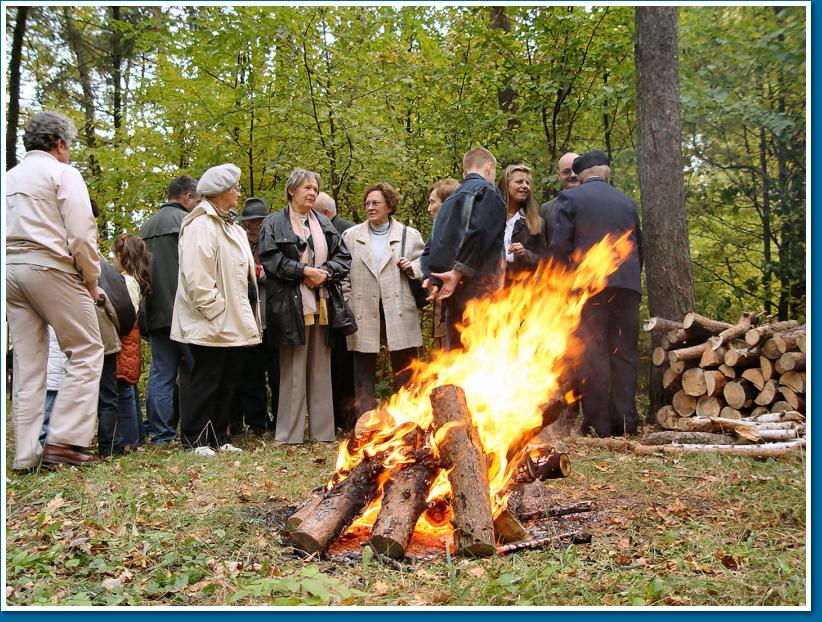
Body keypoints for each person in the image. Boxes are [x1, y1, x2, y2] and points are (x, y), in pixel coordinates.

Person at [6, 111, 104, 469]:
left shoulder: (8, 178)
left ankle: (25, 453)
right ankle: (63, 442)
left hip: (10, 270)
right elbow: (81, 232)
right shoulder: (62, 173)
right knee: (87, 348)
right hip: (50, 265)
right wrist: (91, 279)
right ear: (60, 144)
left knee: (28, 365)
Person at [549, 150, 643, 438]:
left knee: (593, 353)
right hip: (626, 287)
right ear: (606, 172)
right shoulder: (627, 202)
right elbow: (639, 246)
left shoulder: (570, 199)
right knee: (624, 353)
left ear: (579, 175)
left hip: (589, 288)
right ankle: (625, 422)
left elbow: (560, 247)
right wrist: (630, 280)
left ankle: (597, 425)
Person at [170, 164, 262, 454]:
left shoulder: (229, 225)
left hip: (232, 318)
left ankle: (218, 437)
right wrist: (215, 311)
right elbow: (197, 277)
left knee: (227, 377)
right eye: (233, 188)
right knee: (204, 378)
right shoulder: (200, 226)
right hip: (211, 319)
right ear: (220, 192)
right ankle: (195, 439)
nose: (237, 192)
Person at [258, 168, 352, 444]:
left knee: (321, 368)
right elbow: (271, 260)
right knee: (293, 370)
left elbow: (343, 257)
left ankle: (323, 433)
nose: (312, 192)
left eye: (315, 188)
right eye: (306, 188)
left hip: (322, 303)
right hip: (290, 306)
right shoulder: (273, 223)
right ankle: (290, 434)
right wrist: (303, 272)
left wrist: (323, 272)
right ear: (291, 191)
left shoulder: (324, 224)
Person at [342, 182, 425, 416]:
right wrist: (348, 300)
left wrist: (412, 268)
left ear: (389, 205)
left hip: (399, 307)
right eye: (367, 203)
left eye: (376, 202)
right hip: (363, 308)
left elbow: (425, 264)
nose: (370, 207)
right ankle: (365, 425)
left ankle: (407, 419)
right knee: (362, 372)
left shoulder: (409, 235)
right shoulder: (351, 236)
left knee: (405, 368)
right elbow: (342, 273)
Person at [420, 147, 506, 351]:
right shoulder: (487, 191)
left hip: (452, 297)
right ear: (489, 167)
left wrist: (433, 279)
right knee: (482, 356)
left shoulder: (448, 201)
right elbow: (480, 232)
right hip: (480, 292)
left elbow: (432, 246)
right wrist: (459, 271)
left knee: (457, 358)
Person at [139, 175, 199, 446]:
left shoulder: (145, 227)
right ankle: (193, 429)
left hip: (155, 313)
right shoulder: (188, 223)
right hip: (185, 311)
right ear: (187, 197)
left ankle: (161, 434)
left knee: (161, 373)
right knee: (194, 371)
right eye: (195, 199)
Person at [231, 197, 278, 437]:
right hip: (247, 320)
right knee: (251, 375)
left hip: (273, 319)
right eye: (248, 223)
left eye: (256, 223)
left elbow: (278, 271)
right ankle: (257, 423)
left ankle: (279, 421)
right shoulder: (237, 243)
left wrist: (257, 271)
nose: (251, 228)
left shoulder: (273, 242)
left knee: (277, 374)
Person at [314, 192, 356, 432]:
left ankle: (348, 419)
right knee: (327, 366)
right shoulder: (317, 230)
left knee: (345, 365)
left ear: (326, 214)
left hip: (343, 307)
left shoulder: (347, 232)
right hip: (321, 307)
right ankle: (332, 419)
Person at [112, 233, 152, 450]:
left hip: (125, 340)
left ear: (120, 255)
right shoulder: (136, 280)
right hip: (131, 340)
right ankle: (135, 436)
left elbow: (124, 313)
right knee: (129, 387)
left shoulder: (125, 282)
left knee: (123, 389)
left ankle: (129, 439)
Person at [498, 164, 551, 282]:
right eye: (519, 182)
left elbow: (544, 261)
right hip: (490, 287)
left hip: (520, 289)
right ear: (505, 185)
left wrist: (525, 254)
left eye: (527, 183)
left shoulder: (537, 222)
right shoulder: (491, 218)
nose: (525, 186)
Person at [424, 179, 459, 350]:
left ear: (447, 203)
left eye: (432, 202)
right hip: (441, 309)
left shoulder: (466, 232)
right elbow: (427, 257)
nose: (429, 209)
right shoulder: (436, 231)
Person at [539, 151, 580, 243]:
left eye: (576, 170)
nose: (572, 175)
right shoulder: (546, 210)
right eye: (567, 171)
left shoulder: (597, 203)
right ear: (559, 175)